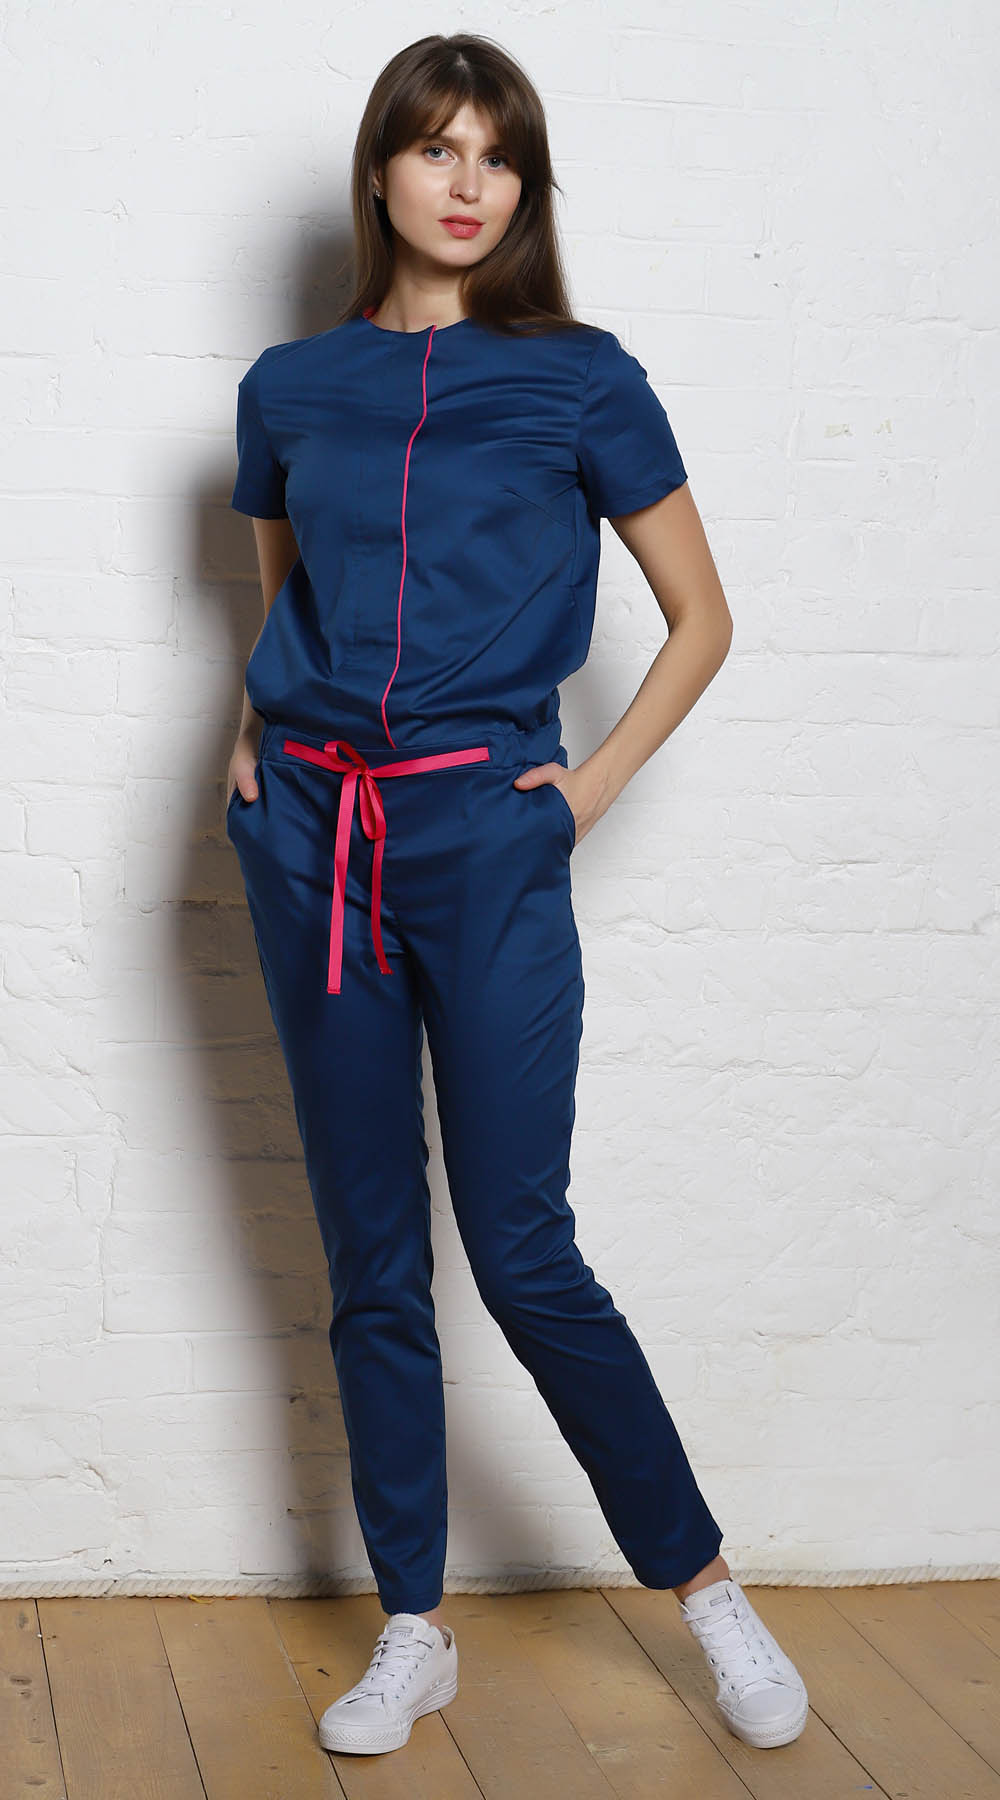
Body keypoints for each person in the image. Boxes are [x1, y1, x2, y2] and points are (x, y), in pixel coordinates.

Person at [224, 31, 808, 1762]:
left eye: (499, 156)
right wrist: (251, 739)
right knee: (369, 1255)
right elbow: (286, 601)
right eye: (438, 149)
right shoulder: (290, 386)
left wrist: (587, 793)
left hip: (487, 837)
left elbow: (702, 618)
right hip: (311, 841)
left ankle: (706, 1589)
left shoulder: (583, 380)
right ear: (383, 171)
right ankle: (414, 1625)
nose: (468, 182)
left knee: (524, 1250)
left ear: (526, 188)